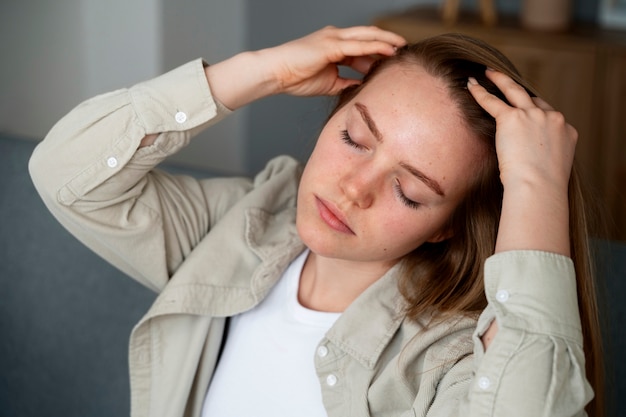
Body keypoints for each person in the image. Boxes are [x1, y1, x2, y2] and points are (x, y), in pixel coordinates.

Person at [29, 26, 603, 417]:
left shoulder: (448, 355)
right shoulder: (241, 226)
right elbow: (66, 173)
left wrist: (537, 188)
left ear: (446, 226)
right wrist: (259, 71)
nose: (354, 188)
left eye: (407, 191)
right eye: (354, 137)